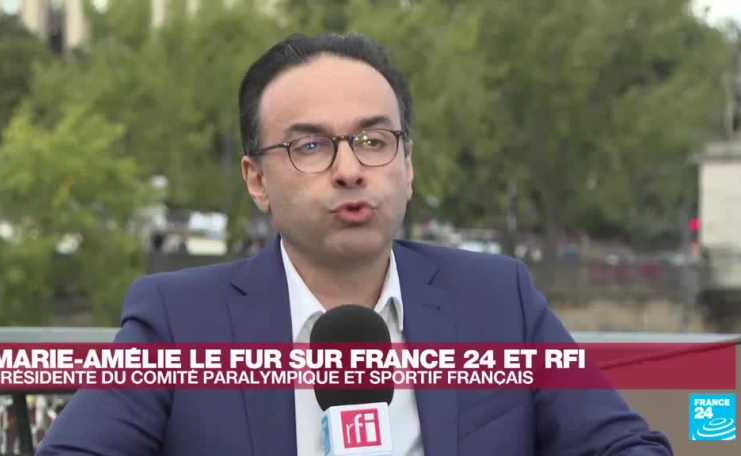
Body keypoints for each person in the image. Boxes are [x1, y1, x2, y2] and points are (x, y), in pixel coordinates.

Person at [37, 32, 673, 456]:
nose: (349, 170)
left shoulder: (498, 299)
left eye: (373, 141)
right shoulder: (178, 321)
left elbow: (627, 447)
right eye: (311, 146)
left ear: (408, 165)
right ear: (256, 180)